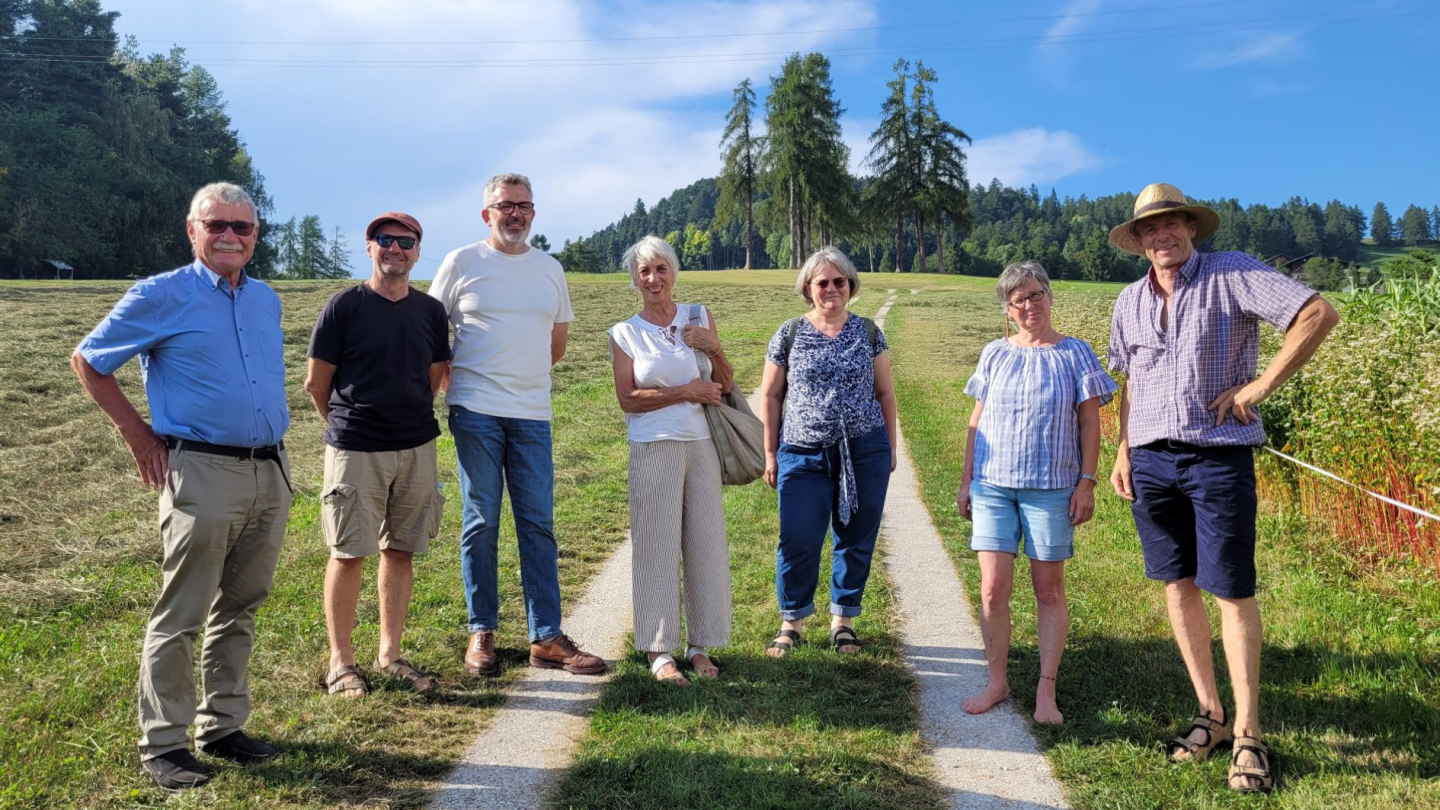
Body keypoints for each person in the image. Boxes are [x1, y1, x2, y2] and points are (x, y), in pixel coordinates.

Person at [1107, 183, 1338, 793]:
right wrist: (1124, 449)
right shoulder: (1128, 301)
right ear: (1138, 242)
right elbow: (1131, 378)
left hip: (1216, 458)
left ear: (1191, 228)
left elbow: (1318, 314)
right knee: (1177, 585)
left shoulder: (1231, 273)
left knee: (1231, 589)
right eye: (1151, 229)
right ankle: (1209, 713)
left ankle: (1249, 733)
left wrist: (1259, 387)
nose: (1163, 235)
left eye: (1173, 224)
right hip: (1151, 462)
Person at [71, 182, 290, 791]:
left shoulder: (264, 299)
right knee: (183, 611)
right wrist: (139, 436)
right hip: (201, 471)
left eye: (242, 227)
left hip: (268, 470)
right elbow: (89, 360)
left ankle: (222, 725)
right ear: (192, 230)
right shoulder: (162, 294)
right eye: (216, 224)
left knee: (241, 605)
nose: (229, 236)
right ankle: (162, 742)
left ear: (255, 236)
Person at [429, 173, 605, 677]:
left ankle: (546, 636)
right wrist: (444, 381)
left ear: (533, 212)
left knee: (538, 523)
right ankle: (481, 631)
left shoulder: (550, 269)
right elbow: (430, 328)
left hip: (532, 414)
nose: (516, 214)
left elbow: (557, 343)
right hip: (475, 410)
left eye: (524, 205)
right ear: (487, 213)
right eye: (505, 206)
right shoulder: (461, 262)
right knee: (481, 520)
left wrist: (521, 377)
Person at [955, 260, 1116, 725]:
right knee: (992, 589)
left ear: (1049, 296)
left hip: (1052, 488)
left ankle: (1047, 689)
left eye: (1036, 294)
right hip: (993, 486)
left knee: (1048, 591)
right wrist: (967, 480)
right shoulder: (994, 353)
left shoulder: (1075, 353)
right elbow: (976, 420)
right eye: (1018, 298)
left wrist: (1087, 482)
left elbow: (1090, 421)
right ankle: (997, 682)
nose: (1029, 304)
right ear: (1007, 309)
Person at [305, 212, 450, 698]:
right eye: (385, 240)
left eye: (406, 242)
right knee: (348, 553)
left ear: (416, 251)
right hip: (356, 448)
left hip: (416, 445)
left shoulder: (430, 312)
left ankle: (390, 653)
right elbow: (316, 383)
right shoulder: (344, 306)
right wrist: (352, 423)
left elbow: (435, 377)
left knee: (401, 549)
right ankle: (340, 662)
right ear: (369, 247)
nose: (396, 249)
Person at [758, 246, 897, 657]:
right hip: (803, 452)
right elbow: (770, 395)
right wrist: (770, 454)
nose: (832, 289)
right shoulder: (789, 333)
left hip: (864, 449)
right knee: (798, 537)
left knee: (855, 537)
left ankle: (843, 621)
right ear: (808, 288)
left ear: (851, 286)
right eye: (823, 282)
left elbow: (885, 393)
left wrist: (889, 445)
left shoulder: (870, 332)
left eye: (840, 282)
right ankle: (792, 622)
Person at [607, 235, 733, 685]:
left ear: (673, 272)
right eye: (644, 272)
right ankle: (659, 649)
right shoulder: (624, 333)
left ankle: (701, 644)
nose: (653, 279)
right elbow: (628, 398)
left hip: (701, 445)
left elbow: (727, 381)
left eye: (660, 269)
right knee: (656, 545)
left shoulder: (698, 316)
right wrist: (685, 392)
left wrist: (712, 347)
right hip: (653, 446)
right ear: (634, 280)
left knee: (705, 542)